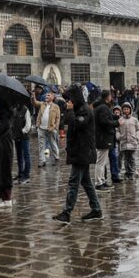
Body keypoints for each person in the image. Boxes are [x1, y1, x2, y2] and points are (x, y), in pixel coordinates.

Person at [52, 85, 102, 224]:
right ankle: (96, 210)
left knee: (73, 182)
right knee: (86, 182)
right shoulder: (77, 110)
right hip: (79, 151)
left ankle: (67, 213)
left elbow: (78, 124)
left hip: (83, 152)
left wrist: (70, 111)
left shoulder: (84, 111)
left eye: (69, 100)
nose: (68, 102)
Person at [93, 90, 120, 189]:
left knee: (103, 161)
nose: (111, 98)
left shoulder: (101, 107)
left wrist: (115, 116)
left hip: (102, 137)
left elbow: (107, 116)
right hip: (103, 138)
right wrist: (117, 123)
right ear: (108, 97)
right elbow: (104, 121)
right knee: (100, 162)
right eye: (110, 96)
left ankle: (102, 180)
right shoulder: (103, 107)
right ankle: (98, 183)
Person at [34, 91, 61, 167]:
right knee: (41, 145)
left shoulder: (56, 106)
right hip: (41, 128)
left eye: (48, 95)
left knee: (53, 144)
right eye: (46, 95)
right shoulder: (42, 104)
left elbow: (58, 118)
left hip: (51, 128)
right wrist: (33, 97)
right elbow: (35, 103)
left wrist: (55, 127)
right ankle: (42, 161)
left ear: (52, 97)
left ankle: (56, 158)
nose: (46, 96)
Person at [116, 103, 139, 179]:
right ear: (122, 110)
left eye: (127, 109)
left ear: (130, 110)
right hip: (123, 142)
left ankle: (132, 172)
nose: (126, 111)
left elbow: (138, 129)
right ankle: (127, 172)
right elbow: (117, 130)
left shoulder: (134, 120)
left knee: (132, 158)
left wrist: (137, 137)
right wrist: (118, 137)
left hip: (132, 142)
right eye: (124, 109)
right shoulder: (120, 120)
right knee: (126, 159)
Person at [12, 102, 32, 184]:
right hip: (16, 136)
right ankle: (20, 173)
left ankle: (26, 175)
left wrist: (23, 131)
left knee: (26, 155)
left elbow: (28, 124)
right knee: (19, 156)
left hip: (24, 137)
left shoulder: (25, 110)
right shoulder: (14, 110)